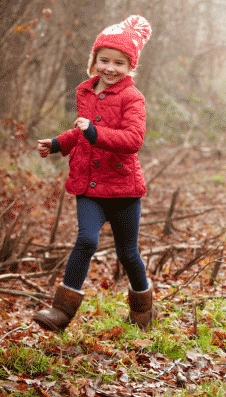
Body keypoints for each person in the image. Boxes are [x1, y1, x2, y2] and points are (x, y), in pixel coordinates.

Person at [33, 15, 156, 333]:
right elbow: (81, 131)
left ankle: (142, 313)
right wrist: (58, 143)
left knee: (128, 253)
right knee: (85, 240)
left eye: (119, 62)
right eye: (104, 60)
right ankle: (61, 311)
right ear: (94, 61)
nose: (110, 68)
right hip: (89, 185)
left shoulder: (133, 98)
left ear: (130, 66)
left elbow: (133, 141)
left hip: (123, 190)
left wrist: (94, 133)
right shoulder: (85, 92)